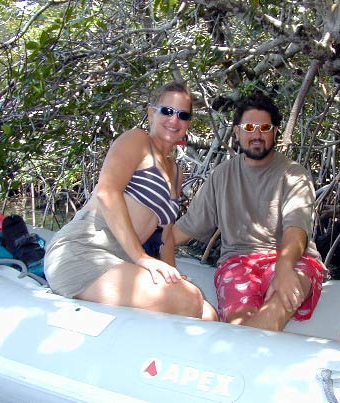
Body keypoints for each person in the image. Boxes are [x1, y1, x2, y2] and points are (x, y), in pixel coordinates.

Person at [44, 81, 217, 320]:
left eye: (183, 115)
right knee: (188, 299)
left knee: (208, 313)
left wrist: (173, 273)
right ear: (151, 113)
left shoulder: (177, 173)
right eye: (167, 111)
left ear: (188, 123)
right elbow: (108, 192)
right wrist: (140, 257)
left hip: (122, 263)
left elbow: (165, 237)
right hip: (84, 251)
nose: (174, 120)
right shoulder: (137, 140)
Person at [173, 93, 327, 331]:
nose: (256, 135)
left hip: (291, 260)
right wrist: (142, 250)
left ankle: (245, 347)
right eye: (249, 127)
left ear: (275, 132)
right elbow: (187, 226)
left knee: (280, 301)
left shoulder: (294, 174)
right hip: (238, 263)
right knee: (240, 324)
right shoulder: (221, 175)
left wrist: (285, 269)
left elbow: (296, 230)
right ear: (237, 132)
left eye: (264, 127)